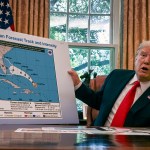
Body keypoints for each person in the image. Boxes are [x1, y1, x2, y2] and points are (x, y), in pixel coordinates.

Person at [68, 41, 150, 127]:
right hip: (98, 137)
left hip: (133, 140)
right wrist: (77, 84)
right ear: (136, 58)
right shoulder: (116, 76)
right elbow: (98, 101)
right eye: (143, 55)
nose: (147, 61)